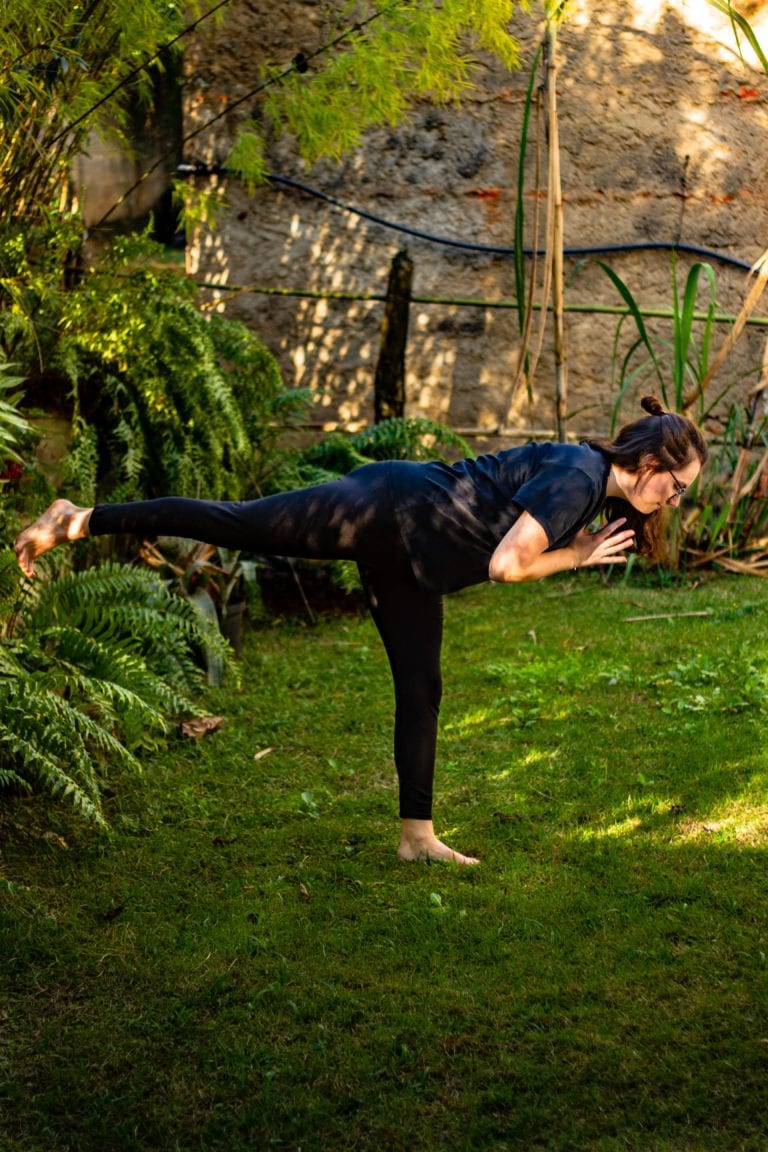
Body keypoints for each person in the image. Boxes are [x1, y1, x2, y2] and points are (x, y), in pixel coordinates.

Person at [13, 395, 707, 864]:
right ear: (650, 466)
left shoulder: (586, 479)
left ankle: (417, 835)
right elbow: (507, 566)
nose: (674, 501)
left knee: (421, 686)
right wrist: (577, 556)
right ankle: (77, 517)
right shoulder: (579, 480)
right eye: (676, 488)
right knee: (240, 521)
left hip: (413, 555)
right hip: (384, 509)